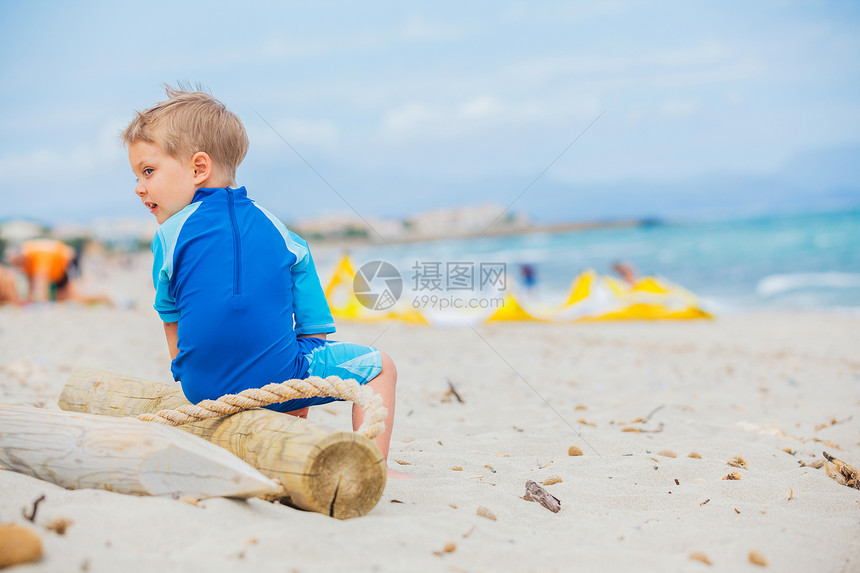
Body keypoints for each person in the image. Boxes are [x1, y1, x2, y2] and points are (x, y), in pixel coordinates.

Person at [121, 86, 403, 476]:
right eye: (137, 174)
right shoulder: (280, 231)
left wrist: (185, 372)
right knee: (381, 366)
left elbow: (171, 318)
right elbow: (314, 326)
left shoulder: (168, 237)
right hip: (277, 382)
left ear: (198, 168)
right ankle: (373, 468)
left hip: (200, 388)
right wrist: (298, 394)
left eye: (148, 171)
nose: (139, 186)